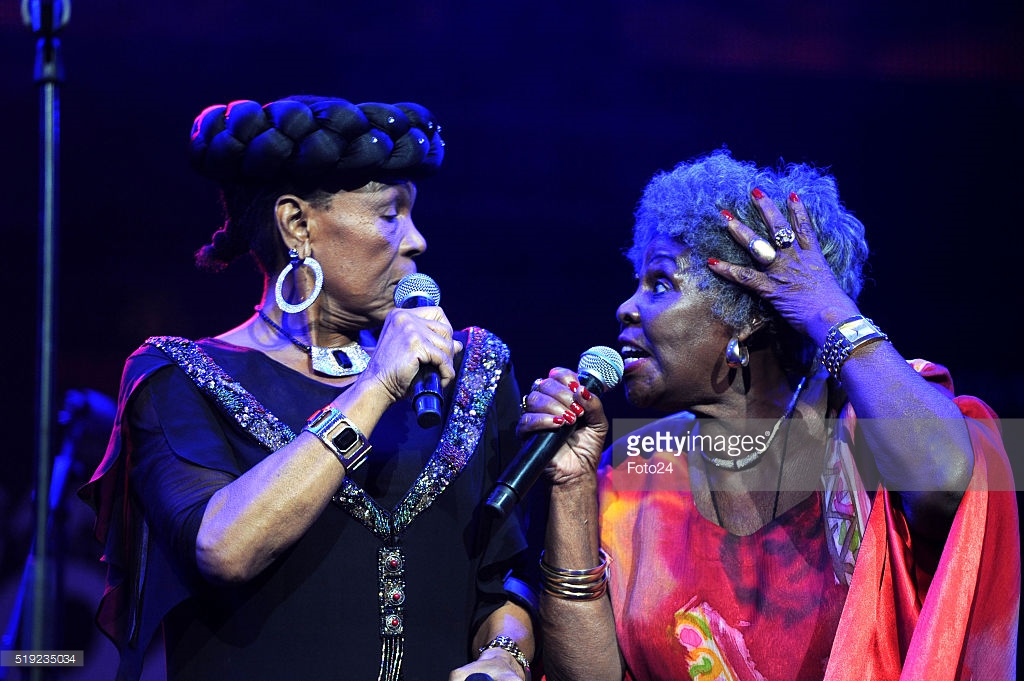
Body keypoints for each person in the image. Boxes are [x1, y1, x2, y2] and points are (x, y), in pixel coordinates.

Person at [79, 95, 537, 681]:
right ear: (298, 224)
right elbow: (224, 548)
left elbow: (504, 577)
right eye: (390, 213)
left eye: (414, 213)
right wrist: (375, 386)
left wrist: (505, 655)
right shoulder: (177, 378)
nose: (418, 240)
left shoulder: (472, 371)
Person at [520, 149, 1018, 680]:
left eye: (660, 283)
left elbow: (949, 483)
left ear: (746, 318)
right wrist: (571, 487)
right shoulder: (637, 469)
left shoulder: (868, 428)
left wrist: (827, 309)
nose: (626, 308)